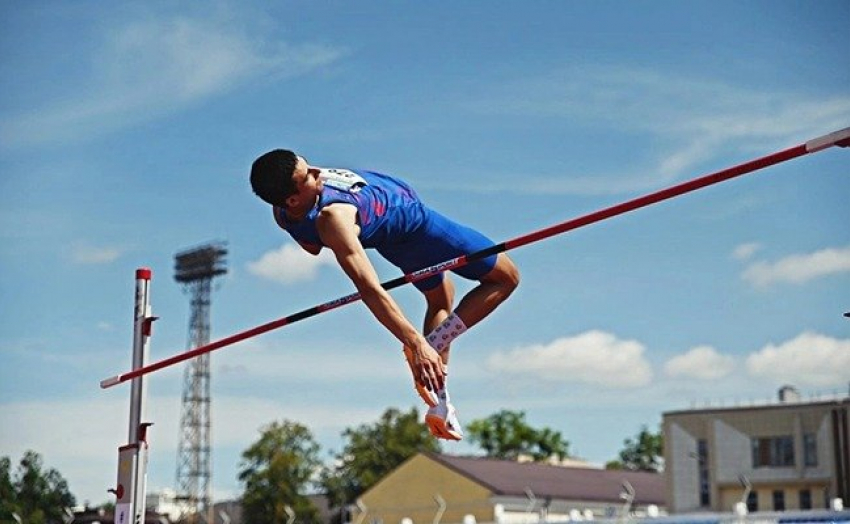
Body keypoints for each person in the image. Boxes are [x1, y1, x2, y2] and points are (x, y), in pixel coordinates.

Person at [249, 150, 519, 440]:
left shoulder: (282, 212)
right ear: (293, 199)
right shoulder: (333, 219)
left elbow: (310, 246)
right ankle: (430, 351)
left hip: (394, 238)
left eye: (309, 164)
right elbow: (369, 289)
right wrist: (414, 343)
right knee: (505, 279)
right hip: (420, 227)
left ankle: (441, 400)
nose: (318, 171)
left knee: (441, 299)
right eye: (309, 176)